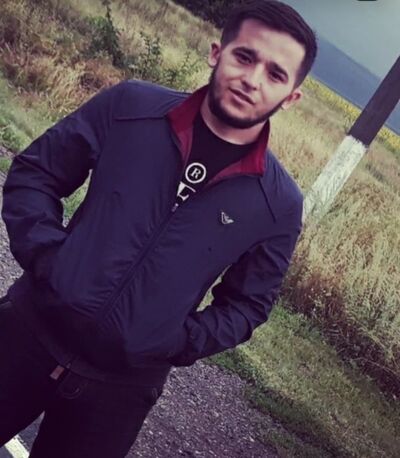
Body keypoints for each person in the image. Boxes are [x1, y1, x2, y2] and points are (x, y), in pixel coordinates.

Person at [0, 1, 317, 456]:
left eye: (275, 74)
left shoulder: (279, 204)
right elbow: (37, 174)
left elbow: (248, 304)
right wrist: (51, 261)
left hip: (119, 394)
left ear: (291, 97)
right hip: (24, 335)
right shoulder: (131, 107)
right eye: (245, 57)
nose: (252, 79)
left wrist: (175, 340)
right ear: (217, 53)